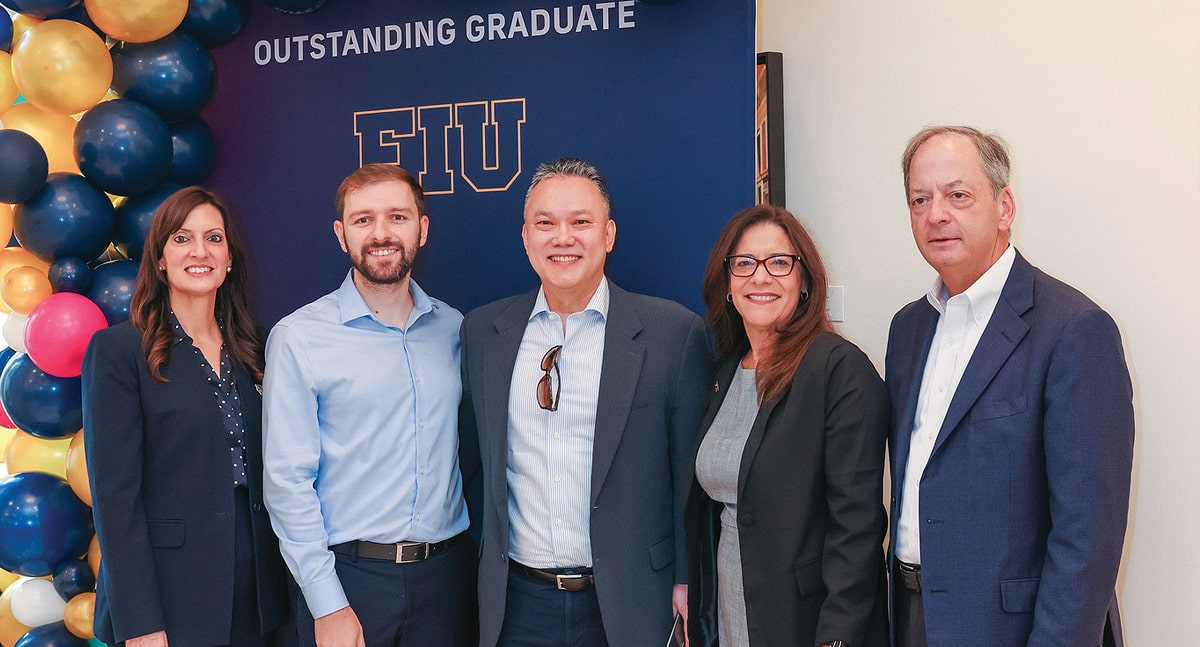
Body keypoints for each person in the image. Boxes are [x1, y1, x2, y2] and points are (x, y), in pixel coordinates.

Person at [886, 126, 1135, 647]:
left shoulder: (1074, 330)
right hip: (911, 617)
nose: (936, 214)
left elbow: (1087, 539)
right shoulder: (908, 328)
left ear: (1004, 207)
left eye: (958, 195)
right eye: (920, 199)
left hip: (1015, 631)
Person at [458, 157, 710, 647]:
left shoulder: (672, 333)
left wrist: (686, 580)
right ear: (525, 237)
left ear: (609, 234)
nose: (562, 237)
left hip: (632, 600)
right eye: (545, 223)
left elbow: (688, 479)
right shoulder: (484, 333)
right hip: (517, 606)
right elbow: (470, 461)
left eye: (580, 222)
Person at [262, 164, 475, 647]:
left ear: (422, 229)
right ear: (341, 235)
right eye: (363, 220)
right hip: (350, 580)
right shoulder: (299, 338)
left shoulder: (457, 329)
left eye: (397, 217)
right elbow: (287, 482)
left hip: (447, 579)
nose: (381, 233)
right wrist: (327, 602)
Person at [82, 186, 289, 647]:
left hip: (260, 595)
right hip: (169, 598)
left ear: (230, 257)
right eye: (181, 238)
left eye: (214, 238)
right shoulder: (119, 352)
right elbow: (115, 502)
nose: (200, 251)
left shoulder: (260, 346)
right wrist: (139, 623)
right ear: (159, 258)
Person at [685, 204, 889, 647]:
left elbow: (857, 528)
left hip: (804, 621)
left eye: (779, 262)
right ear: (727, 285)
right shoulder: (722, 372)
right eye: (744, 264)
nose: (761, 277)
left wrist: (837, 639)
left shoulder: (839, 369)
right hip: (730, 609)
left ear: (804, 282)